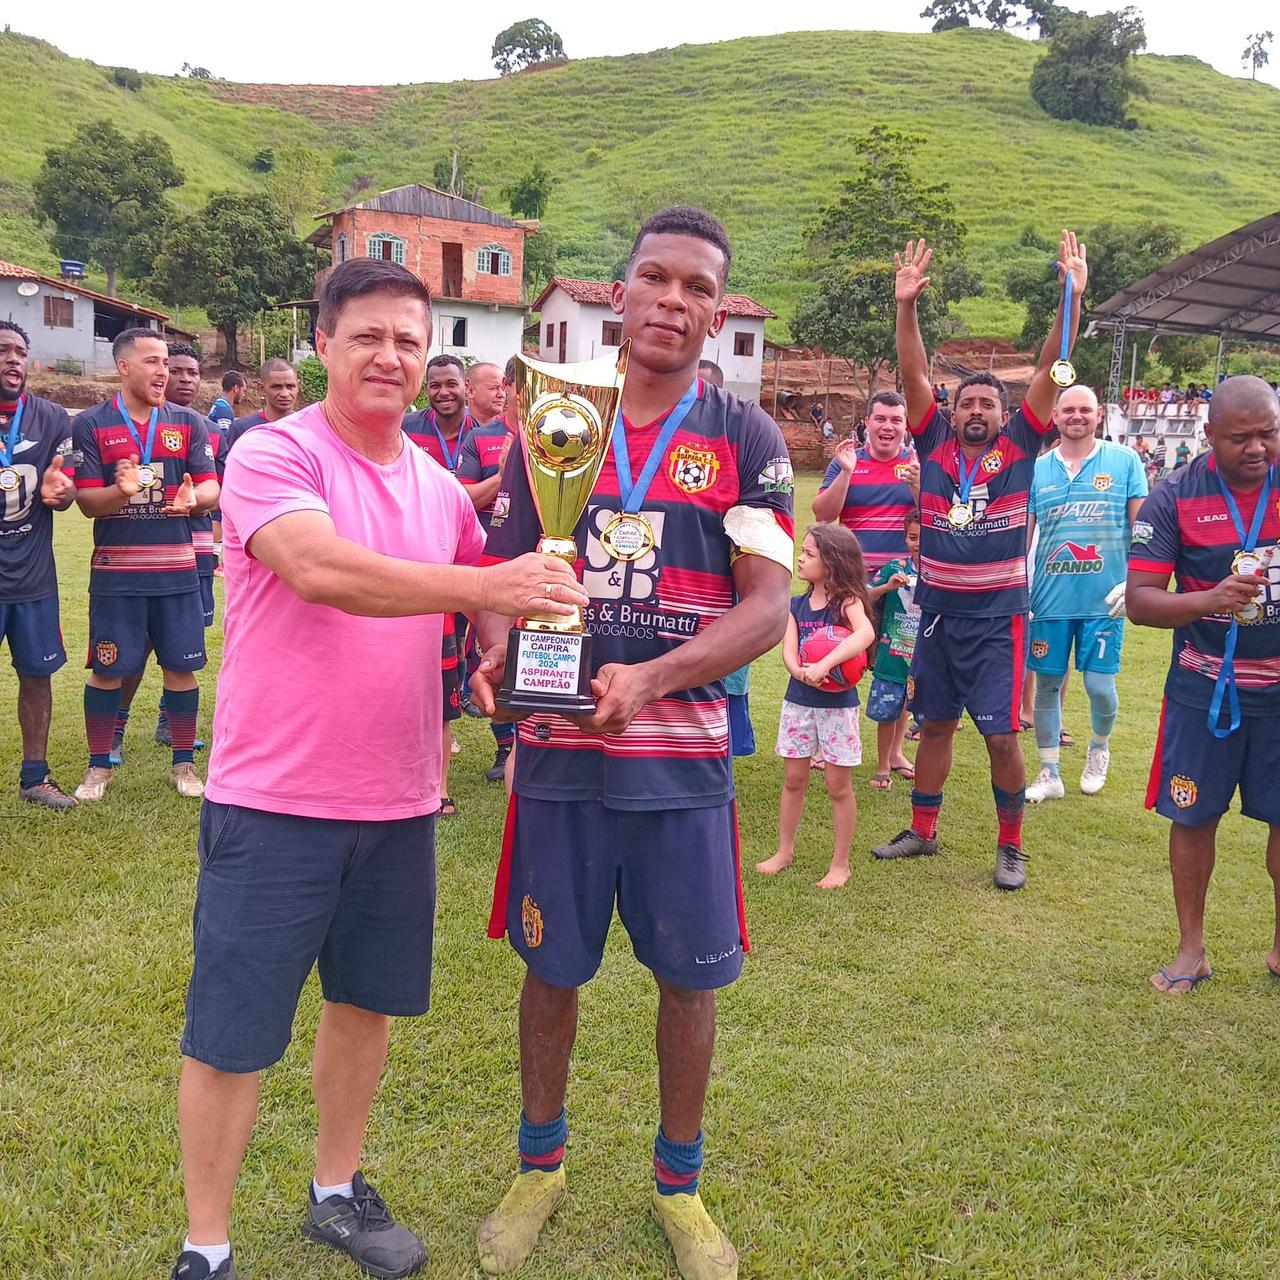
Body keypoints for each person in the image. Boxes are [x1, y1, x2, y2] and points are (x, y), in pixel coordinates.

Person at [169, 258, 587, 1280]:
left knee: (364, 1006)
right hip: (275, 799)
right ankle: (206, 1243)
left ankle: (335, 1189)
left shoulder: (438, 484)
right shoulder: (278, 455)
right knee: (232, 1030)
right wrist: (485, 578)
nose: (390, 356)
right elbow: (322, 568)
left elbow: (467, 595)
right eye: (367, 336)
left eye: (408, 338)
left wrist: (493, 637)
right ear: (323, 343)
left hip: (400, 797)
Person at [470, 206, 794, 1280]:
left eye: (695, 286)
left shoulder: (744, 437)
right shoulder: (550, 416)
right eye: (652, 277)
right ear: (619, 293)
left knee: (686, 979)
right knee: (549, 966)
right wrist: (492, 650)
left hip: (681, 764)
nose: (670, 299)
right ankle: (538, 1166)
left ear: (714, 309)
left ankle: (679, 1186)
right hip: (558, 759)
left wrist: (651, 675)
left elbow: (765, 608)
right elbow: (507, 569)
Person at [870, 230, 1087, 891]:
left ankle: (1012, 846)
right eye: (967, 402)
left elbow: (1053, 367)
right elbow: (911, 372)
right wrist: (906, 306)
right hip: (937, 614)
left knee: (1000, 738)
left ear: (1004, 412)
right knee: (933, 725)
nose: (976, 411)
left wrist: (1069, 299)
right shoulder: (931, 438)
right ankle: (923, 832)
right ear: (951, 408)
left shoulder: (1022, 443)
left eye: (987, 404)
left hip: (998, 618)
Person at [1127, 375, 1280, 995]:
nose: (1257, 448)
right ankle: (1191, 950)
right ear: (1208, 433)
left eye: (1268, 433)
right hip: (1204, 688)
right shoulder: (1173, 496)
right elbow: (1139, 602)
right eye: (1240, 437)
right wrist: (1212, 598)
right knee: (1192, 817)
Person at [69, 328, 219, 803]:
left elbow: (213, 487)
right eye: (152, 362)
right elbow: (89, 504)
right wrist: (121, 492)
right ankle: (98, 768)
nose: (163, 372)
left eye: (166, 363)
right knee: (107, 669)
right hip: (117, 576)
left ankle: (183, 764)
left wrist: (195, 500)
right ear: (124, 367)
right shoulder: (91, 424)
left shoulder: (189, 423)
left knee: (182, 669)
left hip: (177, 572)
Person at [1024, 386, 1147, 802]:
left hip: (1104, 600)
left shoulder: (1125, 462)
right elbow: (1022, 538)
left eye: (1085, 410)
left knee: (1098, 686)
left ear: (1098, 416)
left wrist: (1135, 580)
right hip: (1049, 599)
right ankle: (1049, 771)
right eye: (1068, 410)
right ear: (1054, 416)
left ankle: (1099, 747)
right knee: (1046, 686)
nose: (1077, 416)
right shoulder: (1036, 469)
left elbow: (1144, 532)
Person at [110, 342, 216, 762]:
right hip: (138, 554)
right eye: (177, 371)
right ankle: (117, 719)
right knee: (139, 642)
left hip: (195, 550)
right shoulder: (123, 424)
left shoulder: (201, 426)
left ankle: (169, 722)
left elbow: (214, 485)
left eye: (192, 372)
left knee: (181, 643)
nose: (185, 379)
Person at [758, 523, 874, 888]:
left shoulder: (849, 602)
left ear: (833, 561)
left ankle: (841, 864)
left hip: (838, 708)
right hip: (799, 703)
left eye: (809, 554)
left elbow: (866, 634)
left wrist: (825, 665)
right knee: (794, 779)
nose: (801, 559)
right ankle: (784, 851)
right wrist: (801, 671)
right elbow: (789, 652)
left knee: (838, 785)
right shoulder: (794, 605)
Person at [0, 320, 79, 808]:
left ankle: (35, 777)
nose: (12, 359)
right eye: (2, 350)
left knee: (37, 675)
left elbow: (63, 488)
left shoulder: (52, 418)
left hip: (31, 576)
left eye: (19, 351)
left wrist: (62, 492)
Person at [404, 354, 477, 813]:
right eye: (435, 385)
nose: (443, 392)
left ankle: (440, 780)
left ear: (465, 385)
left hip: (470, 559)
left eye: (451, 383)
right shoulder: (407, 427)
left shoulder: (484, 434)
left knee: (451, 675)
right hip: (409, 572)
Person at [457, 361, 516, 782]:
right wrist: (505, 474)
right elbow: (466, 498)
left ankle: (536, 736)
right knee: (491, 649)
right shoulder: (481, 439)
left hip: (543, 556)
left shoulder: (568, 430)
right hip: (490, 556)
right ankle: (504, 746)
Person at [811, 390, 918, 574]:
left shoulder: (918, 465)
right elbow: (823, 516)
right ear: (868, 423)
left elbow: (938, 519)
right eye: (880, 419)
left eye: (896, 420)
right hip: (854, 576)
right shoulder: (846, 461)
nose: (887, 426)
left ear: (906, 426)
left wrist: (917, 485)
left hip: (905, 579)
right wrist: (846, 473)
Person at [865, 511, 922, 790]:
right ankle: (882, 765)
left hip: (924, 660)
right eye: (912, 538)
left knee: (908, 708)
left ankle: (898, 753)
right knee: (887, 712)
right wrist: (888, 586)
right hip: (892, 656)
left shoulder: (941, 572)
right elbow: (864, 593)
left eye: (925, 538)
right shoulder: (893, 568)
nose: (918, 544)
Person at [208, 371, 244, 573]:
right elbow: (223, 438)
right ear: (236, 388)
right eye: (243, 390)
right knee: (218, 513)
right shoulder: (224, 409)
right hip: (219, 465)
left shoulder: (220, 405)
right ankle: (213, 560)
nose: (244, 395)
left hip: (215, 464)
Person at [225, 358, 299, 450]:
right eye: (276, 387)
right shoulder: (242, 429)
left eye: (290, 386)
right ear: (261, 388)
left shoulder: (308, 429)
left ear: (298, 386)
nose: (285, 394)